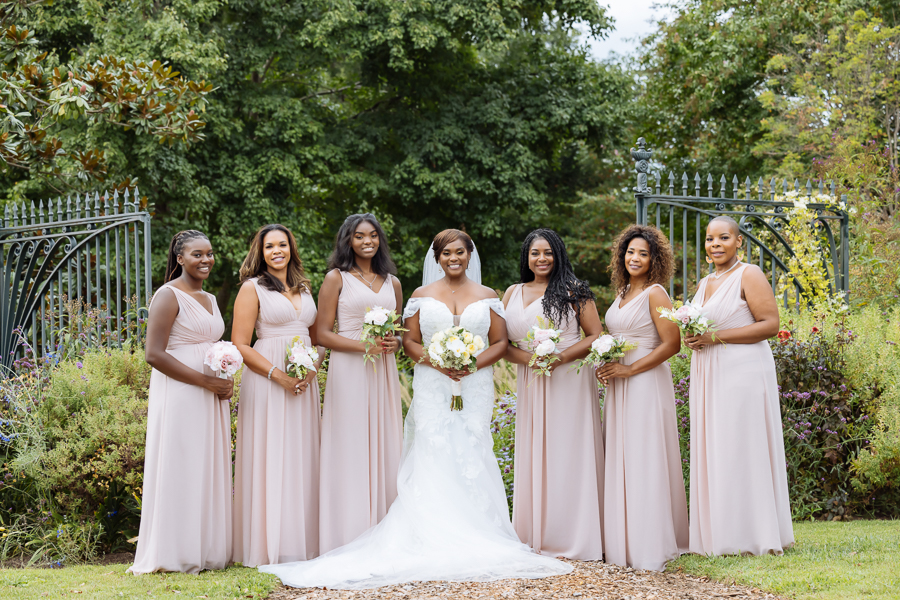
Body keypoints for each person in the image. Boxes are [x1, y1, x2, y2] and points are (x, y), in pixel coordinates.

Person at [259, 229, 572, 589]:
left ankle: (479, 528)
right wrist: (439, 362)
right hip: (433, 383)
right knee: (433, 448)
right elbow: (409, 340)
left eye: (459, 252)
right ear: (436, 259)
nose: (453, 258)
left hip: (475, 382)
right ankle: (428, 530)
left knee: (472, 446)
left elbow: (500, 341)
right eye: (446, 253)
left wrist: (472, 364)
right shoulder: (420, 296)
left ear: (470, 255)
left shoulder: (489, 296)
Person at [684, 216, 794, 556]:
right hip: (709, 372)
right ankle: (723, 533)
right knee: (717, 446)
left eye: (723, 238)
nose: (716, 244)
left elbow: (770, 324)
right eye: (710, 239)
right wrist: (691, 338)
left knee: (741, 445)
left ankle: (753, 534)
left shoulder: (750, 274)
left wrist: (714, 337)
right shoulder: (704, 283)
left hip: (742, 371)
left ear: (738, 242)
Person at [129, 230, 233, 574]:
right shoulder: (168, 295)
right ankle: (175, 552)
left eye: (210, 254)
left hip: (210, 394)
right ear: (180, 259)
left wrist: (224, 376)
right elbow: (154, 354)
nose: (206, 260)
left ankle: (204, 548)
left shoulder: (211, 299)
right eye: (197, 255)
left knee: (205, 465)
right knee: (182, 465)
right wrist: (205, 380)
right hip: (181, 393)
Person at [502, 228, 604, 560]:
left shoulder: (575, 291)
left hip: (569, 379)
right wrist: (533, 362)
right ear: (526, 257)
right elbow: (502, 344)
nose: (542, 259)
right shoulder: (512, 293)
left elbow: (595, 335)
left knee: (568, 450)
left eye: (548, 252)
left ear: (558, 254)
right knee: (537, 450)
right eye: (535, 253)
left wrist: (559, 358)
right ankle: (537, 533)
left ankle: (574, 534)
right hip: (532, 379)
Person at [231, 224, 325, 566]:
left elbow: (317, 338)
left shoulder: (305, 286)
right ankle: (266, 543)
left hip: (304, 382)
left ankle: (300, 541)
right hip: (268, 379)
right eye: (270, 246)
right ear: (261, 251)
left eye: (282, 244)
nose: (277, 251)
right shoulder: (251, 288)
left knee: (300, 455)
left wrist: (312, 369)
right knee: (270, 453)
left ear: (291, 248)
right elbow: (240, 343)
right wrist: (279, 376)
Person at [597, 224, 689, 570]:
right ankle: (623, 539)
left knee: (645, 455)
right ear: (622, 256)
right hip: (619, 383)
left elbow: (672, 344)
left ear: (654, 260)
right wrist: (605, 363)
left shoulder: (655, 293)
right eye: (630, 252)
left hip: (646, 382)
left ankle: (650, 542)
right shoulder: (620, 293)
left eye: (643, 254)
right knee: (623, 455)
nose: (634, 258)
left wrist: (630, 370)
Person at [316, 214, 404, 554]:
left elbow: (396, 333)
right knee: (349, 440)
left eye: (373, 235)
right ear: (347, 241)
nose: (367, 241)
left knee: (383, 439)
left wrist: (393, 343)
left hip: (382, 370)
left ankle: (385, 526)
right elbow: (323, 333)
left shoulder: (392, 282)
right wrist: (362, 346)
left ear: (380, 239)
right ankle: (348, 529)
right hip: (349, 368)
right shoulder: (335, 278)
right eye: (359, 236)